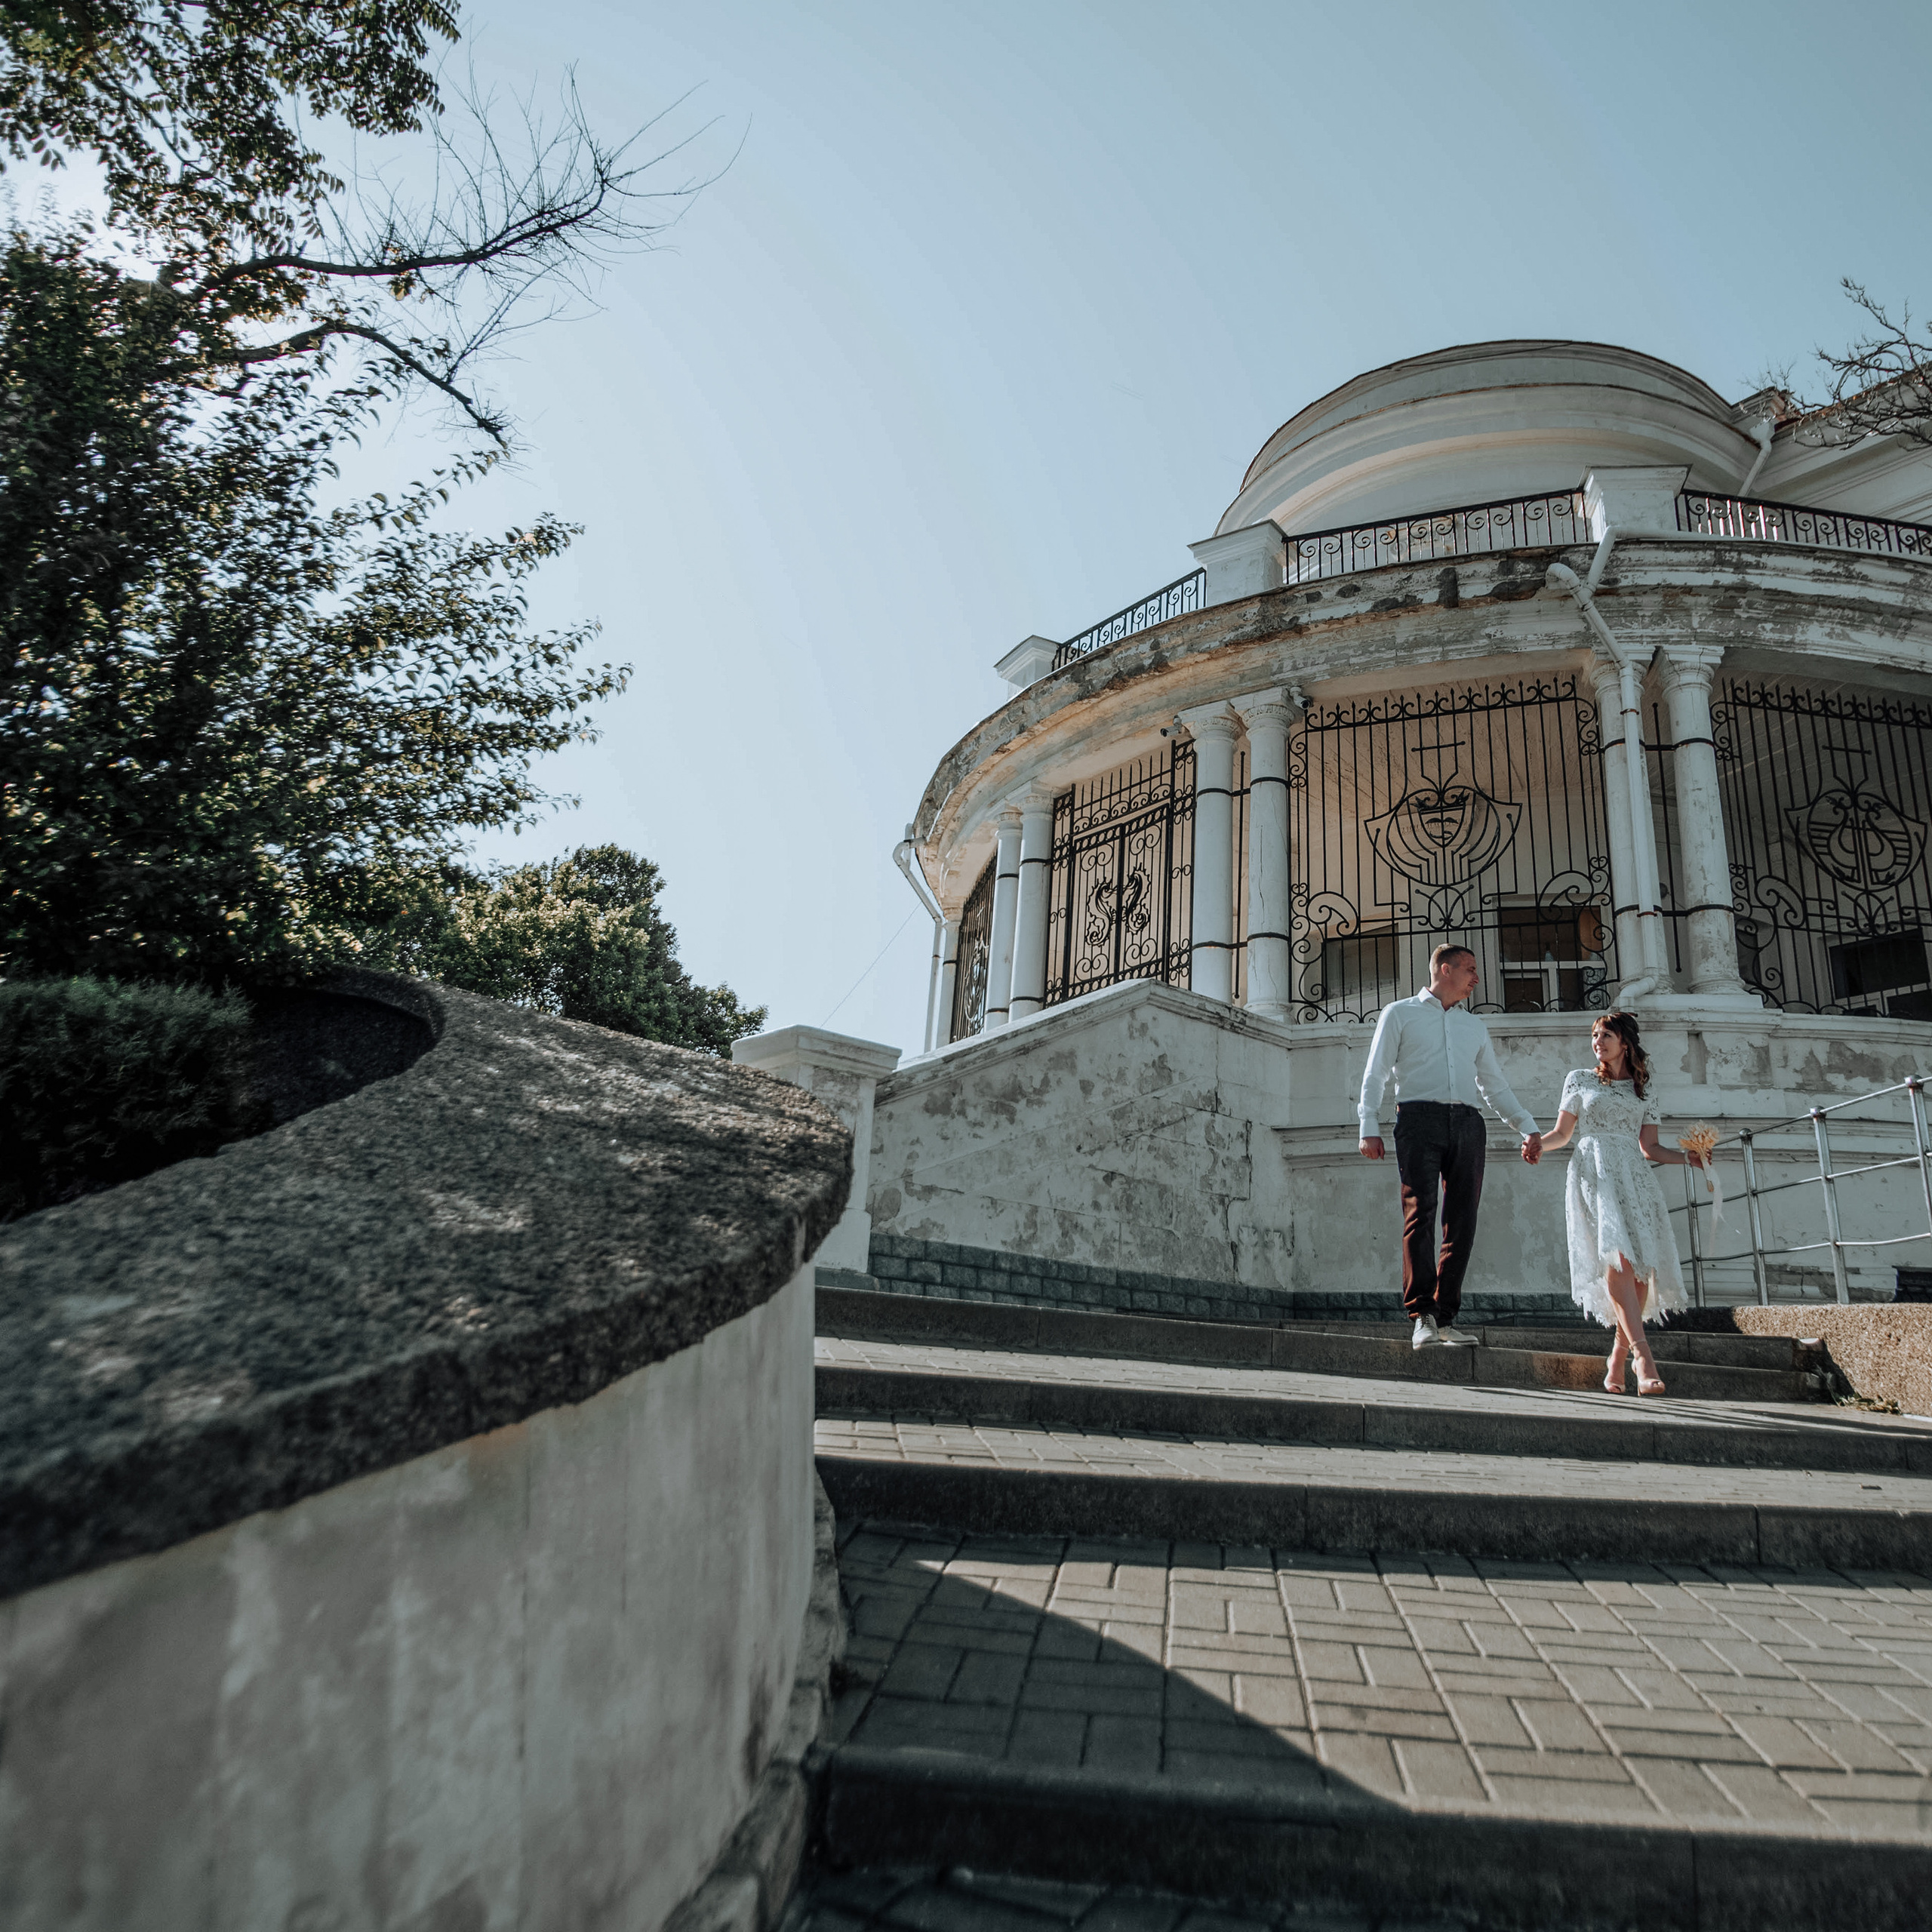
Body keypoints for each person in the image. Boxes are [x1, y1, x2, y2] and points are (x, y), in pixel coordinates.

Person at [1358, 944, 1543, 1349]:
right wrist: (1367, 1124)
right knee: (1420, 1214)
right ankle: (1422, 1314)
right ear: (1445, 969)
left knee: (1462, 1221)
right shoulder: (1399, 1013)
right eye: (1470, 969)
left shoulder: (1473, 1026)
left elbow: (1493, 1085)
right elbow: (1376, 1074)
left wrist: (1527, 1128)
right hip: (1418, 1119)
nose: (1477, 978)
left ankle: (1445, 1318)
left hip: (1468, 1124)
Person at [1526, 1009, 1705, 1396]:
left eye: (1605, 1035)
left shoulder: (1643, 1088)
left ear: (1625, 1042)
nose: (1597, 1042)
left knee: (1640, 1268)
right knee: (1617, 1258)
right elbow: (1562, 1133)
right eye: (1594, 1036)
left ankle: (1617, 1359)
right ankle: (1644, 1358)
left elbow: (1650, 1147)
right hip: (1593, 1172)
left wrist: (1688, 1158)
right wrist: (1540, 1143)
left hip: (1634, 1177)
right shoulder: (1579, 1079)